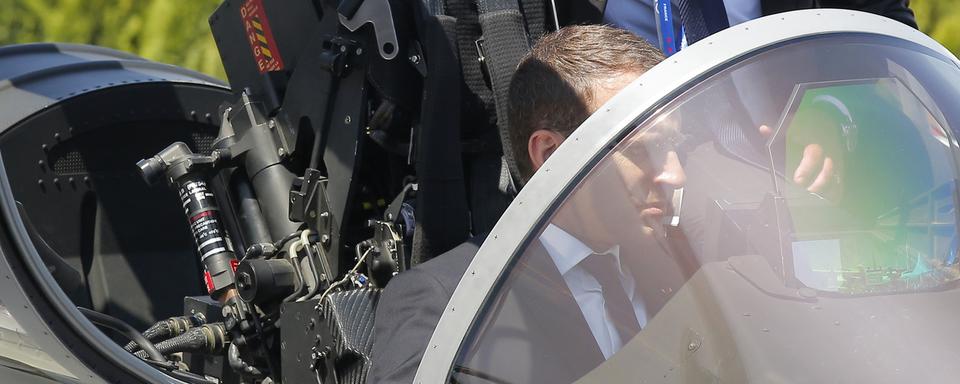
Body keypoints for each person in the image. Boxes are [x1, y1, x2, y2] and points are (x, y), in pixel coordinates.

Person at [367, 25, 672, 384]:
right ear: (552, 154)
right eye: (640, 150)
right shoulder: (445, 305)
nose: (674, 174)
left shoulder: (690, 261)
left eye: (674, 145)